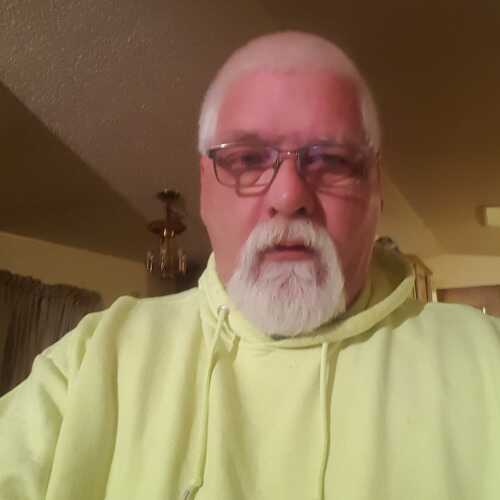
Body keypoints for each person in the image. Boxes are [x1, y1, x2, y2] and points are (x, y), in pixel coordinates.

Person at [1, 31, 500, 500]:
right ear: (204, 187)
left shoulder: (485, 361)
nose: (288, 196)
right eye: (246, 160)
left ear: (376, 187)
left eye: (330, 159)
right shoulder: (93, 361)